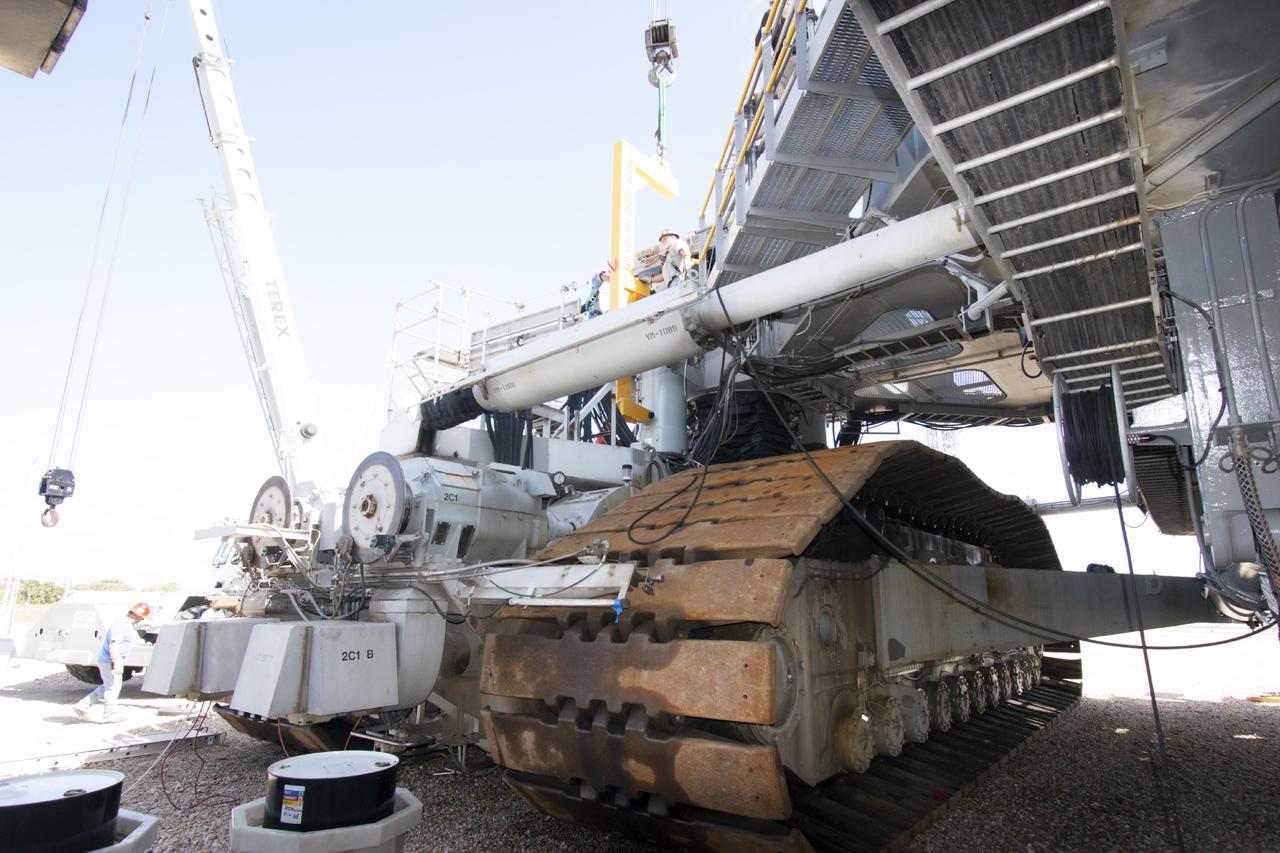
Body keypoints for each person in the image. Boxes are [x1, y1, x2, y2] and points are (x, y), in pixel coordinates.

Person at [73, 601, 149, 723]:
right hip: (110, 661)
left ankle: (83, 706)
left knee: (108, 686)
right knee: (113, 688)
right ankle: (109, 716)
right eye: (141, 617)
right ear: (136, 615)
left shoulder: (126, 624)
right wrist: (117, 662)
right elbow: (114, 644)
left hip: (109, 661)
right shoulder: (122, 624)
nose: (141, 620)